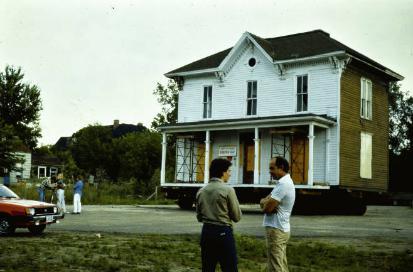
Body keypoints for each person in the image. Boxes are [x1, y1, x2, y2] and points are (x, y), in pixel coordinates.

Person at [196, 158, 242, 272]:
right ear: (223, 172)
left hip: (206, 232)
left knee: (208, 267)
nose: (230, 174)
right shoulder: (228, 190)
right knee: (229, 267)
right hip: (223, 232)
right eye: (229, 171)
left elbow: (199, 217)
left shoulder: (201, 191)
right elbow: (237, 217)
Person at [260, 156, 296, 272]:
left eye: (272, 168)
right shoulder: (284, 182)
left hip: (276, 229)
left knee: (276, 266)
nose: (270, 172)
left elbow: (267, 208)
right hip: (282, 228)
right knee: (281, 263)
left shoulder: (283, 184)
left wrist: (265, 203)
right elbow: (265, 201)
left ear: (281, 168)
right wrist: (265, 202)